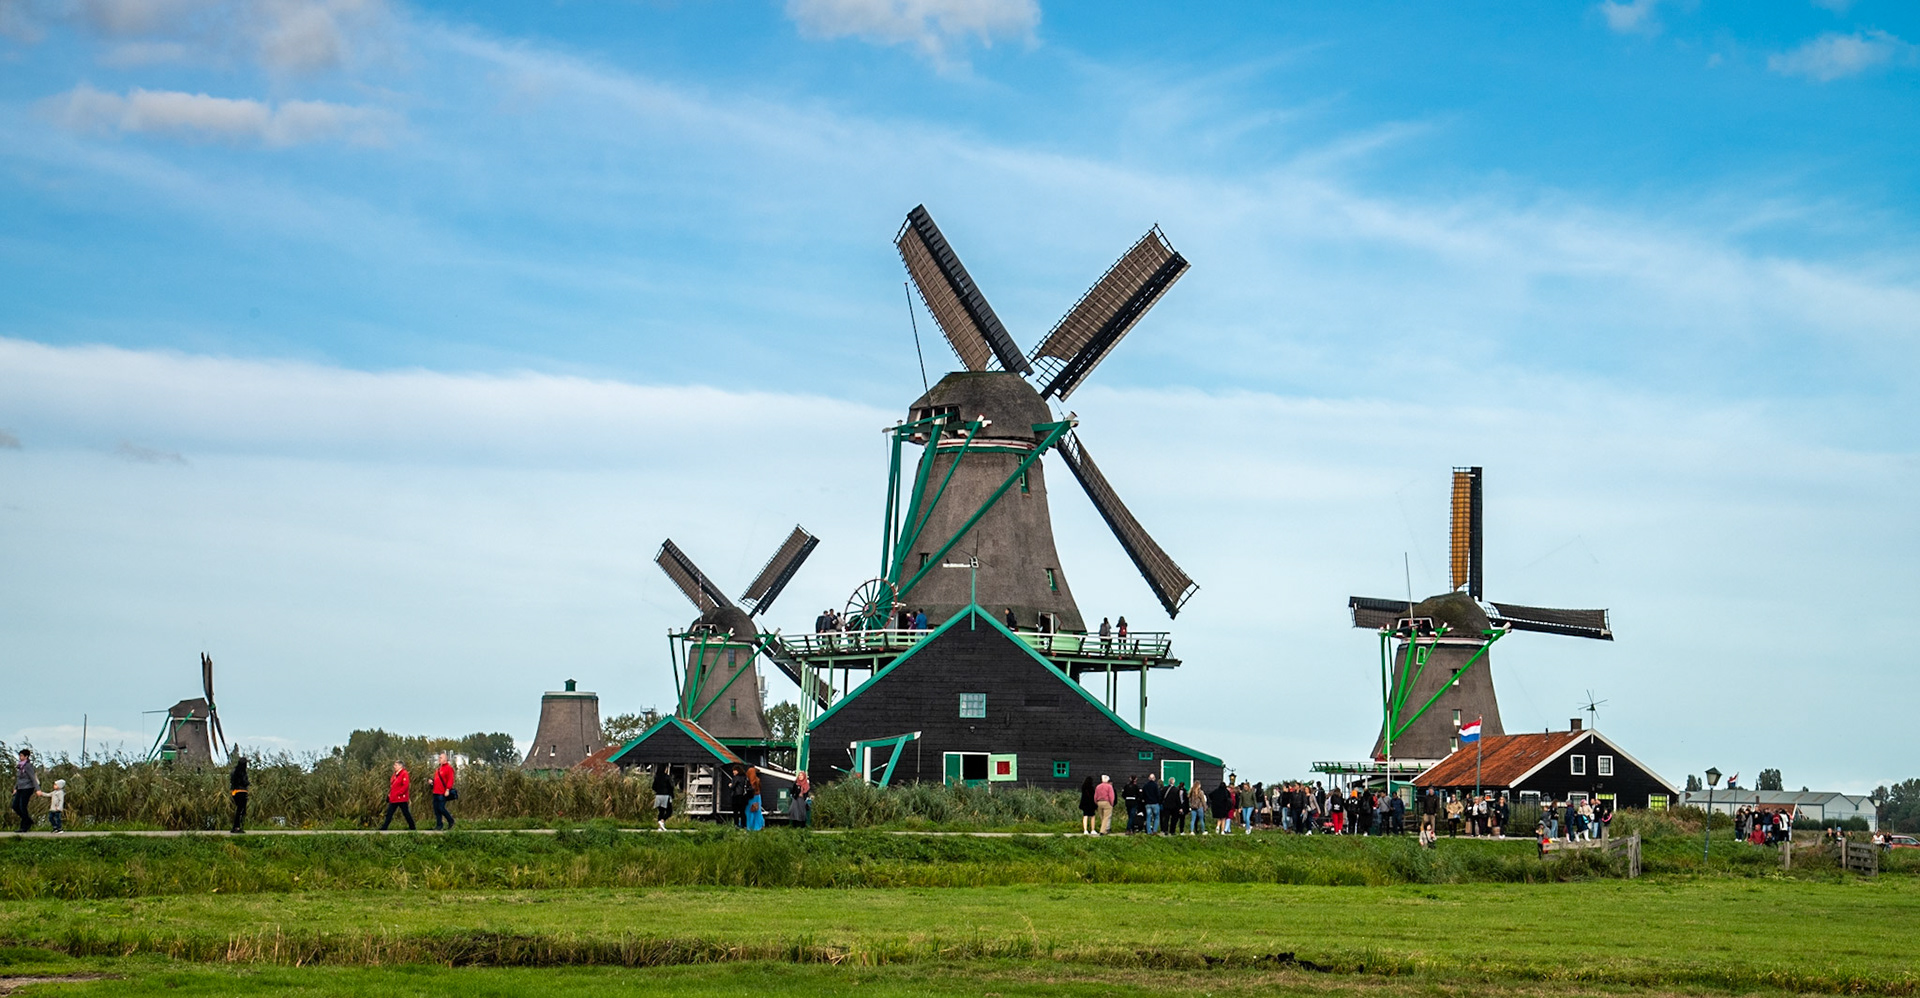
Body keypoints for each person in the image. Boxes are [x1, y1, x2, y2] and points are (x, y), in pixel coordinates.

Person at [379, 760, 415, 830]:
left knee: (406, 813)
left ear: (400, 766)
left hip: (401, 798)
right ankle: (384, 827)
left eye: (396, 765)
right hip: (394, 798)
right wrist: (390, 794)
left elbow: (405, 786)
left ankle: (412, 827)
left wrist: (399, 793)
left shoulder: (404, 773)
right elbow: (392, 785)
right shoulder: (395, 774)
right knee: (389, 813)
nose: (394, 766)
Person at [430, 752, 457, 831]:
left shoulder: (448, 768)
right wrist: (432, 782)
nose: (439, 759)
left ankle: (450, 820)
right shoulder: (438, 769)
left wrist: (447, 789)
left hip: (442, 792)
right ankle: (439, 825)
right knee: (436, 809)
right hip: (436, 791)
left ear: (445, 759)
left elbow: (450, 780)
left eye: (441, 758)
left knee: (441, 808)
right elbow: (437, 780)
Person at [12, 749, 37, 834]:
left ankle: (24, 826)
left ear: (26, 757)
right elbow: (18, 778)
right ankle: (28, 820)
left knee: (22, 806)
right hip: (20, 788)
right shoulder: (19, 766)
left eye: (22, 756)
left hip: (28, 788)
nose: (20, 757)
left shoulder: (28, 766)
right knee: (15, 806)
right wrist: (15, 787)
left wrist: (38, 789)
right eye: (20, 755)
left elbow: (33, 778)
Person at [228, 754, 250, 833]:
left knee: (238, 810)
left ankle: (235, 826)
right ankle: (237, 827)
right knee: (241, 810)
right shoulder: (242, 772)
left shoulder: (234, 771)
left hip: (234, 792)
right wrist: (247, 782)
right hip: (242, 792)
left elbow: (232, 781)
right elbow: (245, 782)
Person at [653, 765, 676, 830]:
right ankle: (662, 821)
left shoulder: (656, 777)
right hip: (666, 796)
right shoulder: (667, 777)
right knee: (669, 811)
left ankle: (660, 827)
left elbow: (653, 787)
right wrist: (672, 794)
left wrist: (658, 790)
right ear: (664, 769)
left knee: (661, 811)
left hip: (658, 796)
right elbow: (671, 786)